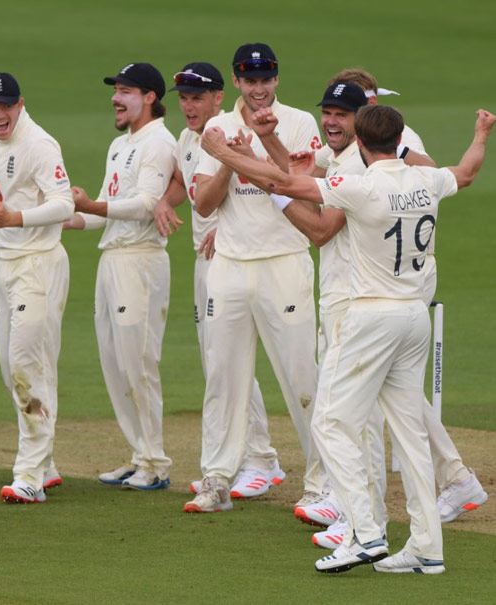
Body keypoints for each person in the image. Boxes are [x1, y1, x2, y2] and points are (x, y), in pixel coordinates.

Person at [201, 104, 495, 574]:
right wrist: (481, 133)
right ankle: (425, 546)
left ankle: (366, 533)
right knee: (410, 434)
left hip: (371, 316)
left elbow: (282, 184)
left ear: (360, 143)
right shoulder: (429, 180)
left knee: (331, 423)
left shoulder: (358, 187)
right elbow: (468, 171)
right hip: (414, 318)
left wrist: (222, 152)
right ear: (401, 143)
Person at [184, 43, 324, 513]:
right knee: (223, 375)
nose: (259, 89)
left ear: (276, 80)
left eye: (266, 80)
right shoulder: (218, 128)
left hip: (284, 260)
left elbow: (299, 185)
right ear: (238, 83)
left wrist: (259, 146)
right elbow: (203, 204)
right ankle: (217, 477)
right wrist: (228, 157)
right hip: (229, 267)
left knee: (302, 376)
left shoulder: (301, 122)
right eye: (250, 80)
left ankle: (323, 482)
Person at [154, 62, 285, 500]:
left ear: (217, 98)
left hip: (234, 259)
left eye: (196, 98)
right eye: (184, 98)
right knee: (218, 364)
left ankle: (261, 460)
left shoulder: (229, 132)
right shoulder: (189, 138)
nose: (188, 106)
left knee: (232, 364)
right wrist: (161, 202)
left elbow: (267, 188)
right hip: (203, 263)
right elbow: (181, 181)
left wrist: (222, 227)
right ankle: (245, 459)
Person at [66, 62, 176, 490]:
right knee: (115, 362)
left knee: (139, 362)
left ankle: (157, 462)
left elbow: (147, 204)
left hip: (141, 260)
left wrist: (92, 207)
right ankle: (139, 454)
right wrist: (62, 218)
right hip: (112, 259)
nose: (116, 97)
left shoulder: (158, 142)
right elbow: (108, 209)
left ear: (149, 97)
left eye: (126, 90)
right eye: (116, 90)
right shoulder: (120, 145)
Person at [0, 73, 74, 503]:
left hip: (38, 265)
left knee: (27, 366)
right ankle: (45, 464)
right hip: (5, 264)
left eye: (6, 106)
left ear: (20, 104)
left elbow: (64, 203)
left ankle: (28, 475)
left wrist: (16, 219)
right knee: (11, 369)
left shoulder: (39, 144)